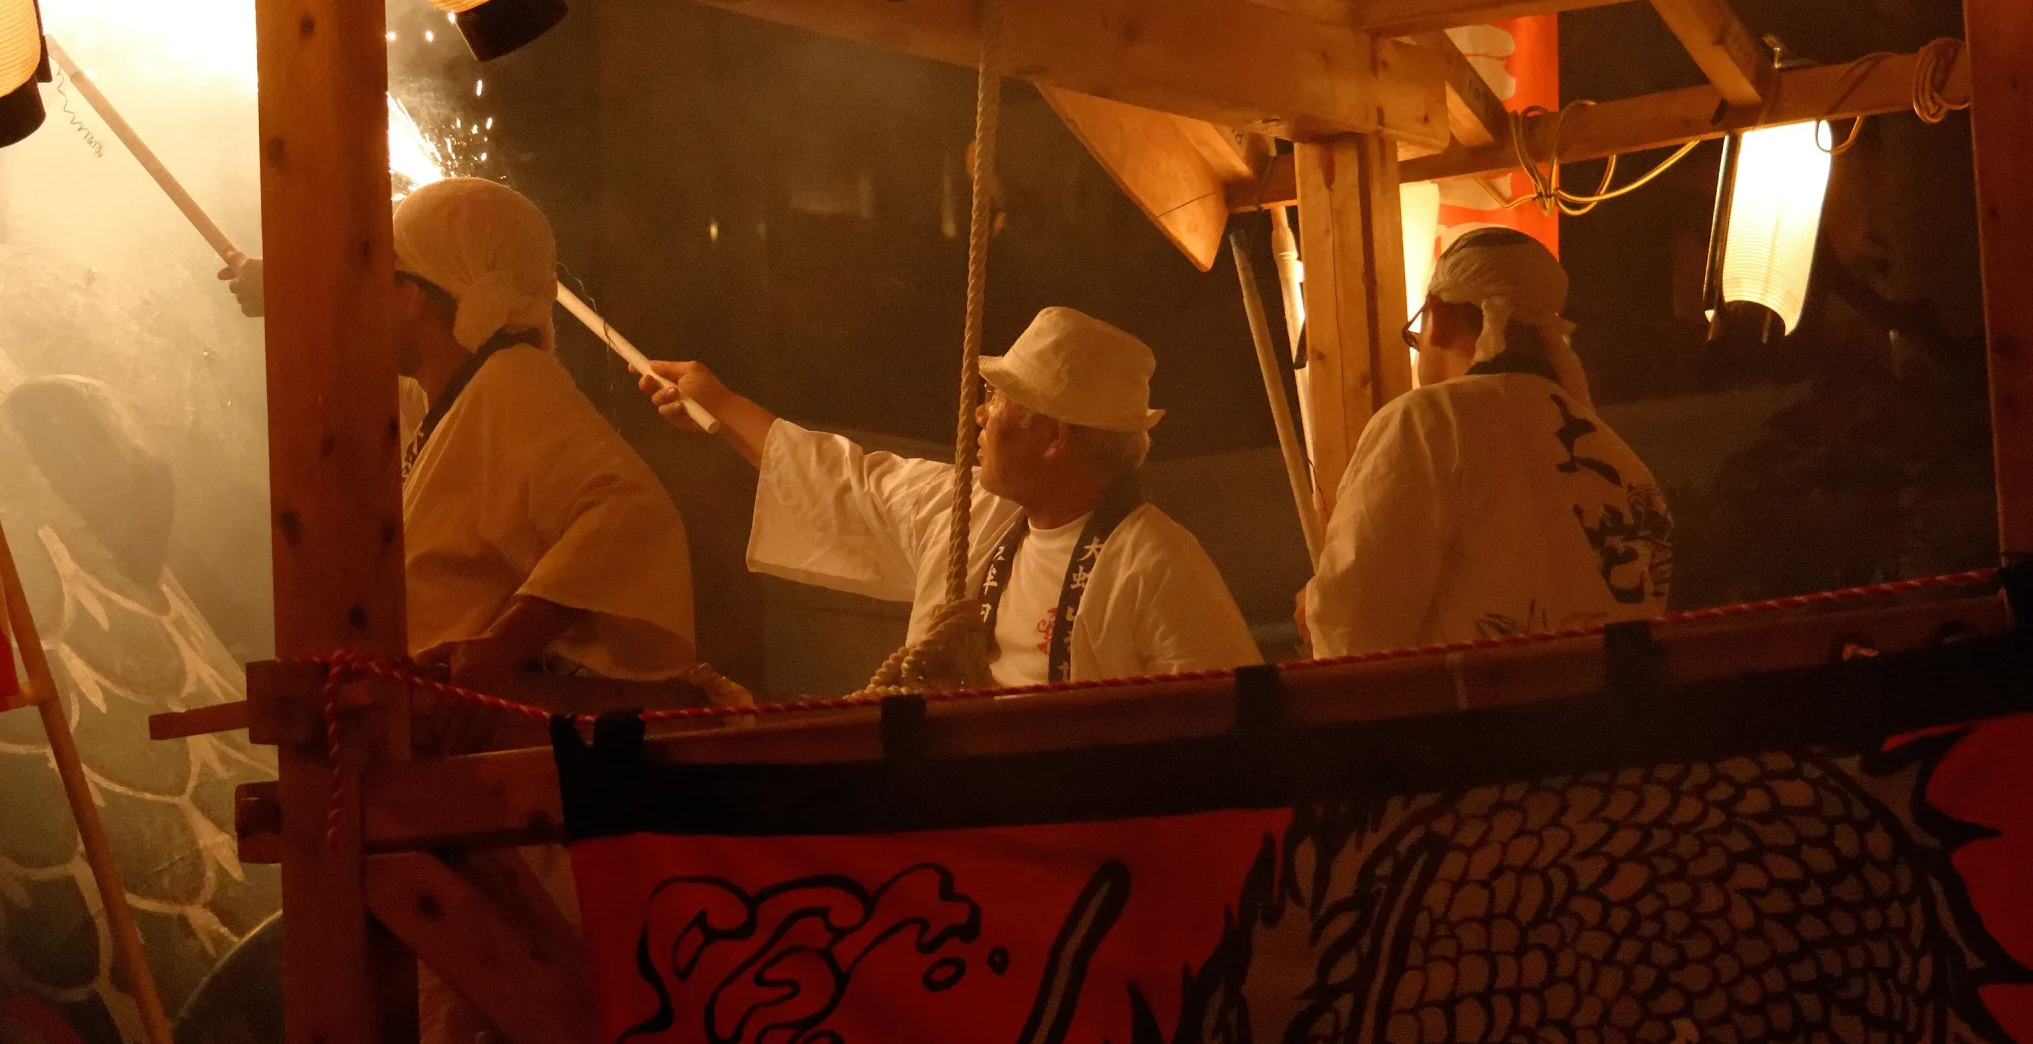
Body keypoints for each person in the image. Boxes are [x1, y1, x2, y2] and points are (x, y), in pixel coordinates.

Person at [644, 306, 1260, 686]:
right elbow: (846, 482)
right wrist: (720, 406)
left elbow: (1230, 727)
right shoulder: (970, 517)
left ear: (1054, 437)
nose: (979, 415)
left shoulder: (1154, 563)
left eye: (998, 401)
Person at [1301, 225, 1673, 657]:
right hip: (1609, 721)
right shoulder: (1620, 456)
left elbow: (1355, 624)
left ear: (1436, 316)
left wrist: (1315, 610)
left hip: (1478, 719)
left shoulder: (1428, 422)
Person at [388, 176, 697, 692]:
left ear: (413, 296)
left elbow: (627, 510)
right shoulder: (454, 399)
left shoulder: (510, 380)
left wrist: (503, 647)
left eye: (381, 280)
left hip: (471, 745)